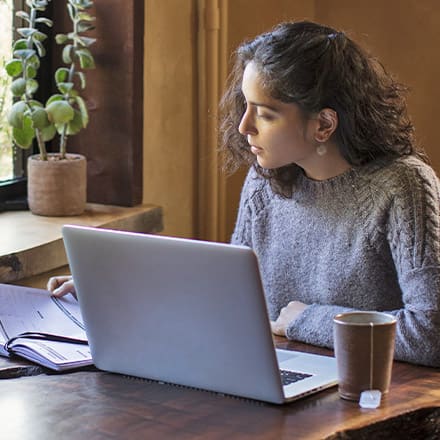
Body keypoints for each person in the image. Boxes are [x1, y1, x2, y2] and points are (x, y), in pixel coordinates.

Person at [49, 20, 440, 367]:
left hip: (369, 396)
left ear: (323, 124)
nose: (243, 126)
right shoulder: (266, 180)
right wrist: (116, 287)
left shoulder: (403, 186)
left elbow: (430, 334)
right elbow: (231, 299)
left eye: (265, 113)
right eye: (245, 105)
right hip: (276, 377)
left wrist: (307, 321)